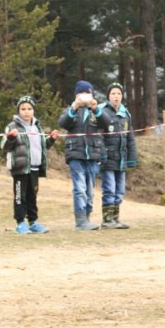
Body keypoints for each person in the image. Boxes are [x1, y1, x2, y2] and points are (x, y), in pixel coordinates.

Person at [1, 95, 59, 234]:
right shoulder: (12, 126)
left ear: (33, 110)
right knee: (20, 196)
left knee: (32, 196)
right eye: (23, 109)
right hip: (20, 169)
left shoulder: (37, 127)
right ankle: (20, 223)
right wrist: (10, 138)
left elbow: (42, 145)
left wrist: (51, 139)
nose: (26, 112)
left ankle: (33, 222)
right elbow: (4, 146)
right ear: (18, 110)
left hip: (34, 168)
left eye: (29, 109)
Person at [58, 80, 107, 231]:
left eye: (88, 94)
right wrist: (74, 107)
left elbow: (105, 122)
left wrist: (96, 109)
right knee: (79, 188)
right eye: (82, 94)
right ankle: (80, 220)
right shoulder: (71, 110)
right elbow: (63, 123)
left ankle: (87, 217)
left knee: (90, 189)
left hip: (92, 155)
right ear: (76, 96)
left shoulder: (96, 110)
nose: (85, 97)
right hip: (76, 154)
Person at [100, 82, 140, 229]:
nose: (116, 96)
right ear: (108, 96)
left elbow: (130, 137)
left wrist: (132, 158)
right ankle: (107, 219)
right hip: (108, 159)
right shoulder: (102, 111)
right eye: (113, 94)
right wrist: (102, 155)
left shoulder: (125, 114)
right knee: (109, 188)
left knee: (120, 190)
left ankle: (115, 218)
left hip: (121, 159)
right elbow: (99, 137)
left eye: (118, 94)